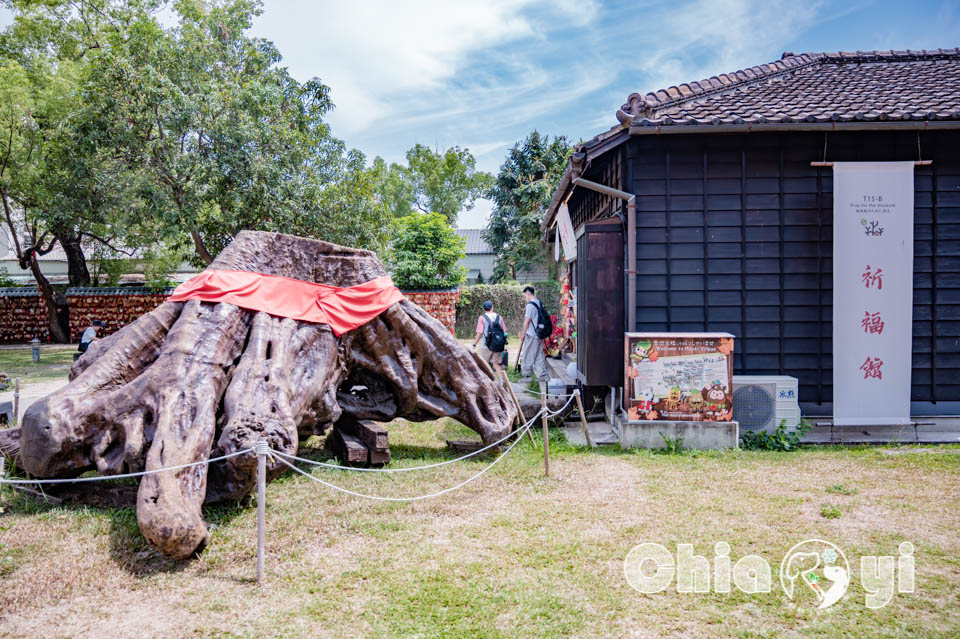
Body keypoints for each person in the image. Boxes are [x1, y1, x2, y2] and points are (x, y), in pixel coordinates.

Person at [519, 286, 549, 383]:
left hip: (532, 334)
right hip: (540, 333)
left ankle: (526, 376)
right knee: (539, 354)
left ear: (528, 294)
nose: (525, 297)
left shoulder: (530, 305)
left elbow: (527, 321)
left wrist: (523, 333)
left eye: (525, 295)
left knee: (528, 354)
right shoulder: (539, 302)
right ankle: (543, 376)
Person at [472, 300, 508, 377]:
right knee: (496, 364)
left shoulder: (482, 318)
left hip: (486, 345)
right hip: (498, 345)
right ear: (492, 307)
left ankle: (486, 382)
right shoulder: (499, 317)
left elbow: (480, 333)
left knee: (484, 365)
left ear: (484, 309)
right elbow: (505, 332)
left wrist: (474, 344)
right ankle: (502, 381)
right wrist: (503, 341)